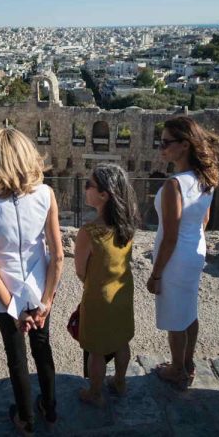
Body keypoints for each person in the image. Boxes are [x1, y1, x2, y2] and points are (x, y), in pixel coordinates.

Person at [0, 127, 64, 437]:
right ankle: (50, 408)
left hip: (4, 294)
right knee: (42, 347)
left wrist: (14, 309)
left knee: (16, 358)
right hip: (39, 286)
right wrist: (46, 303)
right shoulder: (46, 194)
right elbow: (58, 256)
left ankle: (26, 419)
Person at [146, 116, 219, 389]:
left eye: (166, 143)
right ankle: (188, 363)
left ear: (185, 145)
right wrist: (193, 242)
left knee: (175, 316)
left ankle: (177, 370)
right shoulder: (205, 177)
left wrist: (156, 275)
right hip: (195, 250)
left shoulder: (175, 185)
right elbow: (204, 219)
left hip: (176, 258)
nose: (161, 148)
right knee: (189, 310)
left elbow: (170, 236)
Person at [74, 163, 140, 406]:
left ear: (104, 194)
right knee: (121, 341)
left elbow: (80, 271)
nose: (85, 188)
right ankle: (120, 382)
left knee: (96, 349)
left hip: (98, 297)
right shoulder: (127, 226)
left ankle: (95, 393)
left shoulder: (89, 232)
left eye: (88, 184)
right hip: (123, 292)